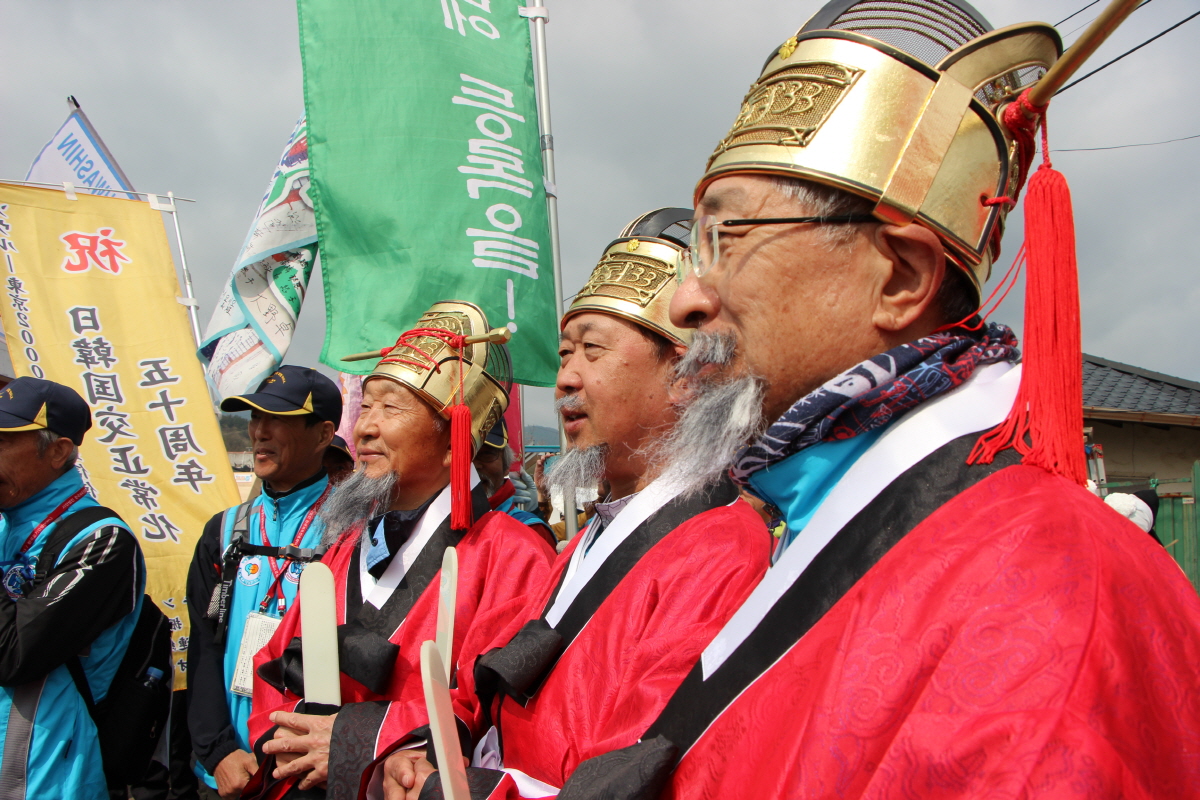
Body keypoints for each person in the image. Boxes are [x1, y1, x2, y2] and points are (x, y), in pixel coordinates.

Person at [562, 4, 1200, 797]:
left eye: (727, 242)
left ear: (898, 276)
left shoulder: (1048, 596)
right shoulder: (817, 517)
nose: (688, 301)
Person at [373, 210, 771, 799]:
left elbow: (639, 770)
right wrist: (429, 751)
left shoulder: (723, 548)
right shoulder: (593, 535)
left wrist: (462, 789)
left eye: (592, 350)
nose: (565, 379)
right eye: (565, 355)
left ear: (687, 374)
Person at [243, 301, 555, 798]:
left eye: (391, 408)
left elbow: (502, 710)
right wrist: (289, 740)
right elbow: (274, 662)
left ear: (455, 437)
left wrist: (354, 742)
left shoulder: (515, 554)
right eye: (365, 407)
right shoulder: (346, 544)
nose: (365, 427)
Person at [186, 366, 342, 798]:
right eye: (255, 418)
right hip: (227, 772)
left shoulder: (354, 532)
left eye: (279, 419)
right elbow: (203, 646)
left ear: (324, 433)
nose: (259, 432)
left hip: (307, 772)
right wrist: (217, 753)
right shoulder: (223, 532)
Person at [0, 377, 145, 799]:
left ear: (59, 451)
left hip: (46, 776)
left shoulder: (101, 539)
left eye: (4, 440)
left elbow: (15, 655)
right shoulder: (5, 520)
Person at [473, 418, 553, 546]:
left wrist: (536, 508)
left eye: (487, 454)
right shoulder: (435, 520)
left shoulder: (530, 530)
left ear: (506, 467)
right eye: (466, 455)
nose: (476, 465)